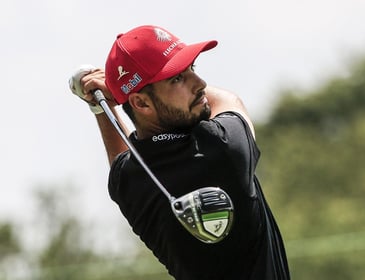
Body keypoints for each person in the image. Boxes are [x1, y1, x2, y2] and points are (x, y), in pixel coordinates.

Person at [70, 25, 290, 280]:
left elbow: (123, 157)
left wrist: (106, 104)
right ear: (141, 103)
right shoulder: (223, 147)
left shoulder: (129, 183)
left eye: (191, 70)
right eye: (177, 78)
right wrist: (112, 94)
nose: (200, 83)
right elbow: (230, 101)